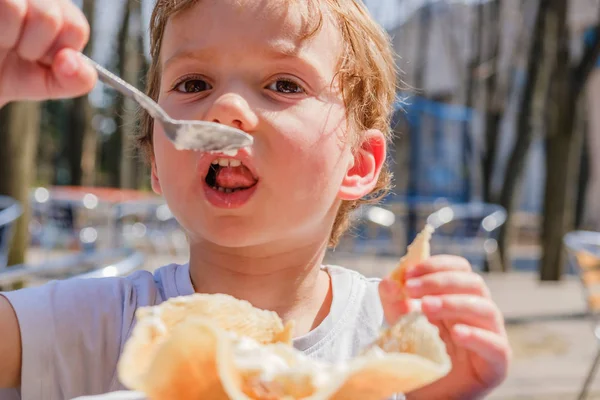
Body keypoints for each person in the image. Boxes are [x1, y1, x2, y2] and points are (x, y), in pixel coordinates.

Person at [0, 0, 511, 399]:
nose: (225, 108)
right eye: (193, 82)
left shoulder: (398, 337)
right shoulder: (100, 323)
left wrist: (443, 394)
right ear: (156, 160)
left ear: (358, 163)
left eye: (283, 84)